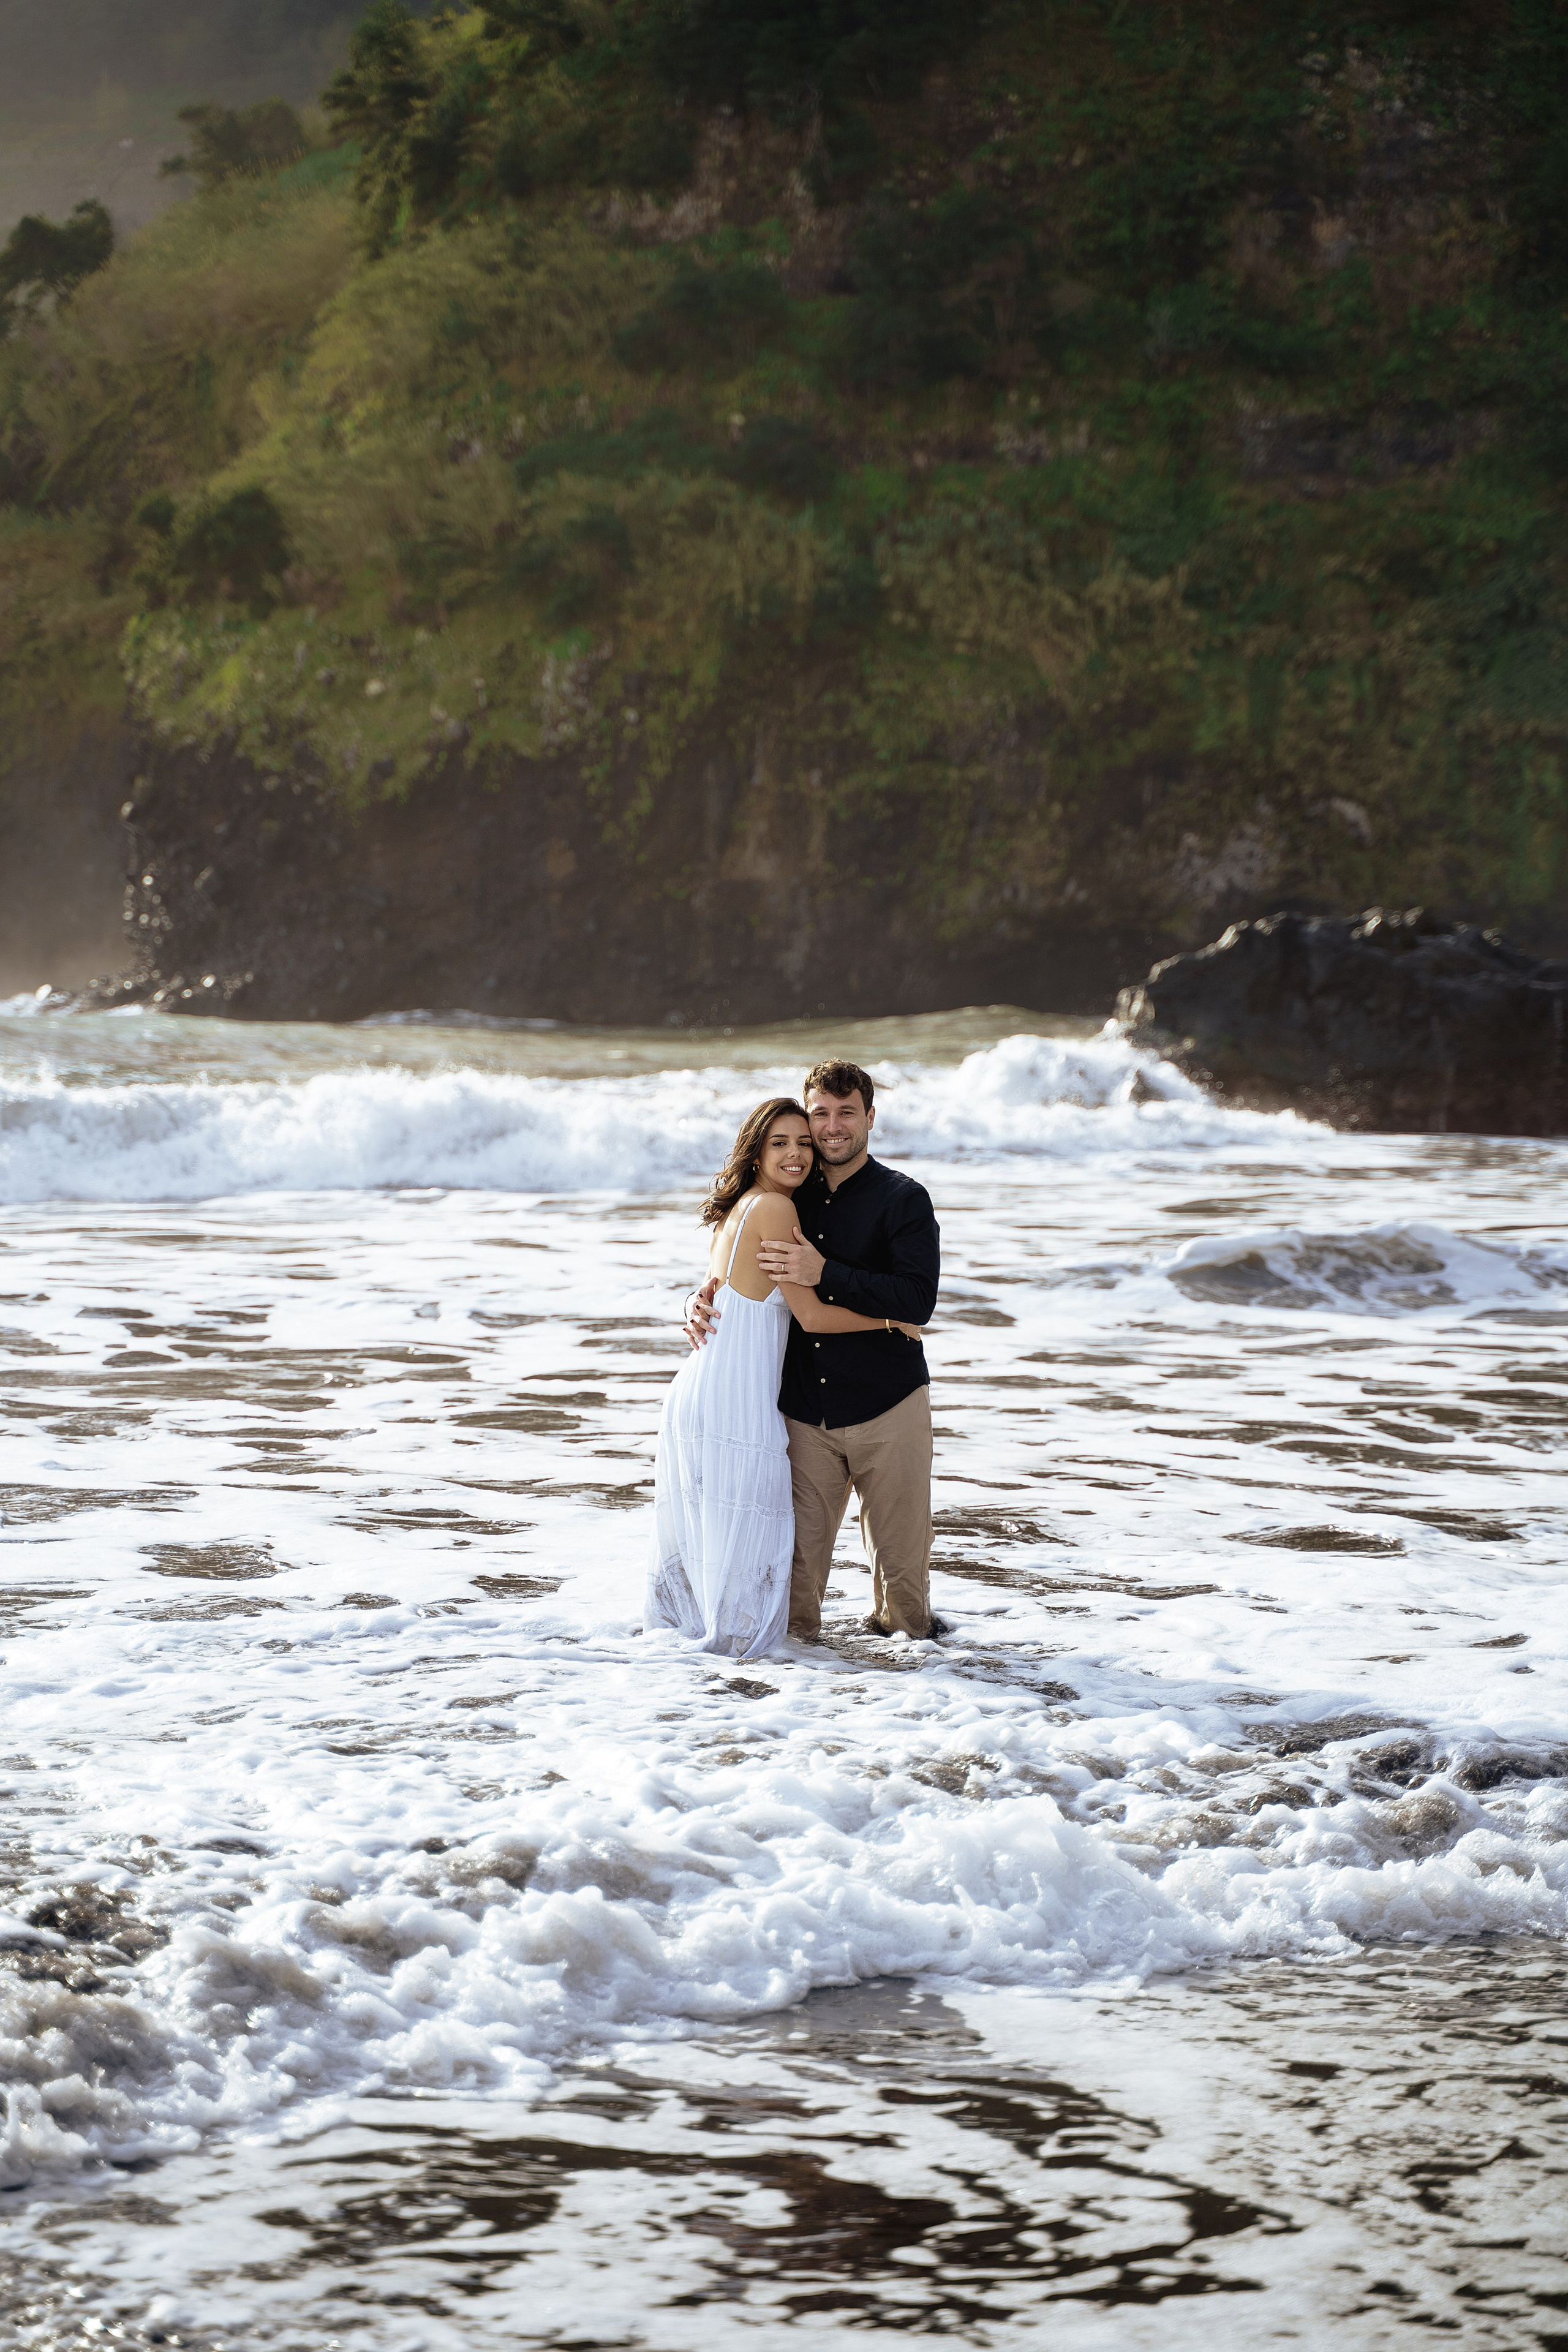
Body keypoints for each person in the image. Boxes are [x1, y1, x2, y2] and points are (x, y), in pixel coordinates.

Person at [647, 1096, 922, 1659]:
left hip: (707, 1388)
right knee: (746, 1541)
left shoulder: (742, 1207)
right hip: (734, 1398)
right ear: (755, 1150)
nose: (797, 1153)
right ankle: (743, 1663)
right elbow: (813, 1316)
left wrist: (692, 1301)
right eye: (781, 1143)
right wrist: (895, 1319)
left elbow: (714, 1291)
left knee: (719, 1544)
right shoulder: (774, 1210)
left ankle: (697, 1675)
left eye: (803, 1142)